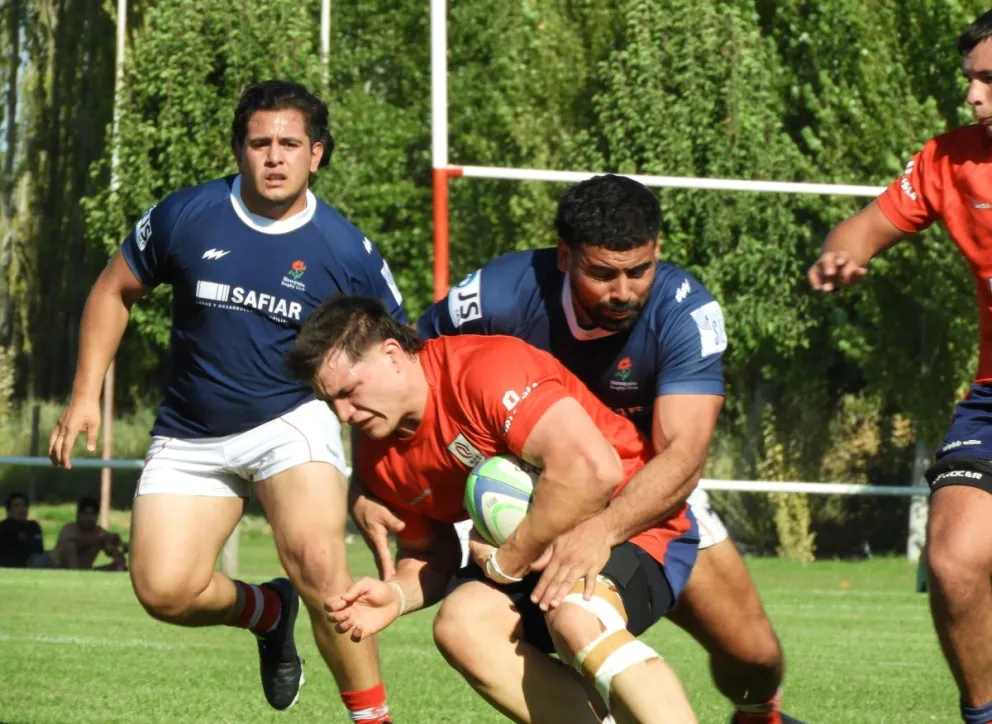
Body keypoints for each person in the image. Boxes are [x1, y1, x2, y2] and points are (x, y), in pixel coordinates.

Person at [353, 174, 801, 724]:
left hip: (646, 492)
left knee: (754, 657)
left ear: (657, 251)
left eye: (639, 270)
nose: (623, 291)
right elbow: (395, 370)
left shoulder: (683, 312)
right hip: (539, 498)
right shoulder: (497, 296)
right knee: (501, 624)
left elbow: (682, 459)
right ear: (565, 256)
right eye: (603, 273)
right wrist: (366, 484)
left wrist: (602, 529)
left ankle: (760, 716)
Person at [48, 80, 402, 721]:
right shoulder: (188, 215)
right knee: (165, 590)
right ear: (239, 149)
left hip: (289, 419)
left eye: (290, 144)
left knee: (321, 567)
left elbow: (397, 363)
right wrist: (84, 396)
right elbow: (112, 292)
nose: (275, 157)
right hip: (191, 427)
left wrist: (379, 475)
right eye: (260, 143)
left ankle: (373, 718)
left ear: (316, 154)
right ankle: (268, 612)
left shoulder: (346, 251)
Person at [287, 295, 701, 724]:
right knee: (463, 627)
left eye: (349, 392)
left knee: (577, 618)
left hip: (629, 522)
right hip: (537, 552)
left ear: (392, 355)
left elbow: (592, 471)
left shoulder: (483, 369)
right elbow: (431, 554)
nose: (343, 414)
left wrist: (508, 561)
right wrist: (396, 595)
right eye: (330, 402)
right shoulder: (379, 459)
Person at [808, 12, 992, 724]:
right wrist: (841, 254)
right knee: (952, 560)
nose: (973, 96)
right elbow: (862, 227)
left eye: (990, 80)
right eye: (970, 80)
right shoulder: (949, 159)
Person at [50, 496, 128, 571]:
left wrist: (115, 546)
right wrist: (98, 539)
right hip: (57, 566)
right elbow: (69, 543)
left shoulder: (99, 532)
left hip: (86, 569)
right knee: (69, 546)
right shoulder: (69, 529)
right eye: (86, 514)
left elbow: (117, 546)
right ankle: (74, 571)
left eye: (92, 514)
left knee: (119, 566)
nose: (89, 518)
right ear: (78, 515)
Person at [0, 491, 49, 568]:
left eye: (24, 505)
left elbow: (39, 548)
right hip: (23, 563)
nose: (22, 509)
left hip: (38, 558)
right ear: (9, 511)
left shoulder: (34, 525)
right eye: (16, 506)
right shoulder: (5, 527)